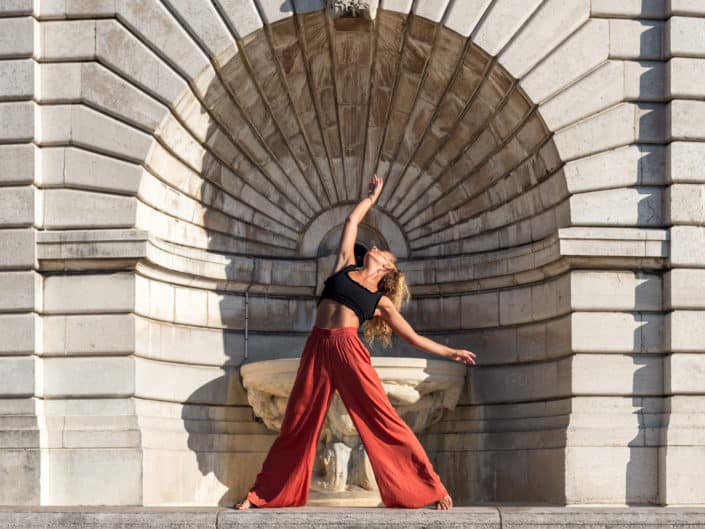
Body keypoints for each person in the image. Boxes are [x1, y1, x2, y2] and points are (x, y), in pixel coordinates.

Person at [234, 175, 476, 510]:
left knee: (383, 419)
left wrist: (451, 352)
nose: (373, 249)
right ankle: (261, 495)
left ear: (388, 268)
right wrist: (370, 199)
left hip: (349, 350)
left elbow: (414, 338)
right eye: (373, 248)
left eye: (380, 251)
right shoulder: (344, 266)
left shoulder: (381, 302)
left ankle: (430, 487)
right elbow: (351, 221)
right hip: (317, 347)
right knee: (297, 423)